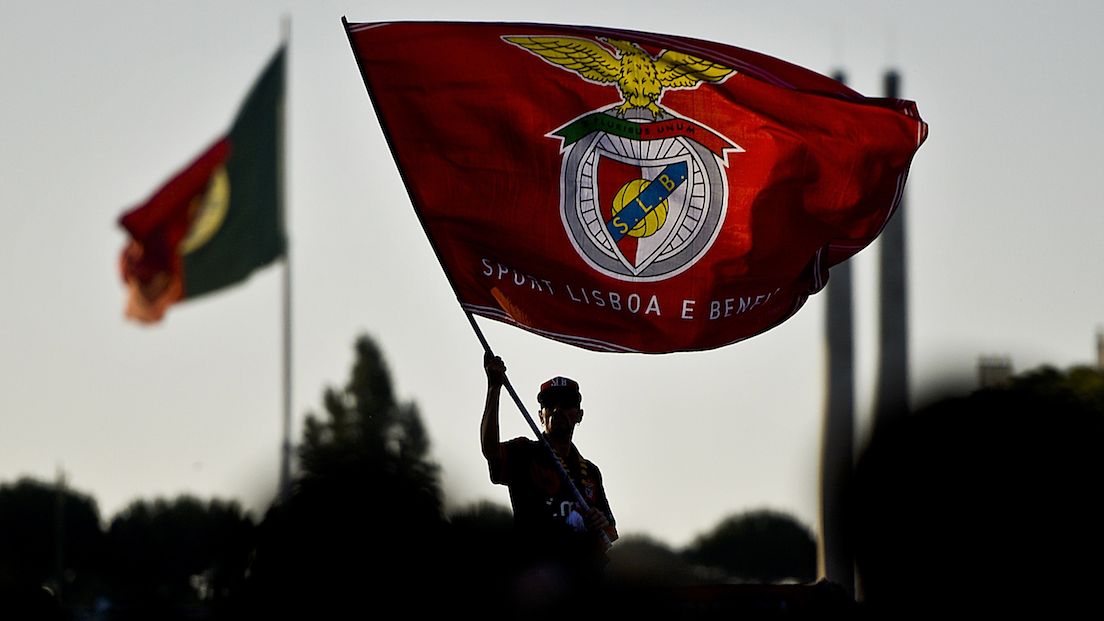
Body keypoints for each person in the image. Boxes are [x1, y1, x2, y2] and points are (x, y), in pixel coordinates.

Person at [481, 352, 618, 608]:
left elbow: (610, 533)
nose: (558, 409)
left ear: (579, 414)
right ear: (540, 415)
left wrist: (597, 523)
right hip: (538, 585)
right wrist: (494, 388)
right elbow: (490, 450)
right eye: (550, 404)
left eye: (566, 403)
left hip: (583, 585)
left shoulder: (590, 471)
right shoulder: (525, 453)